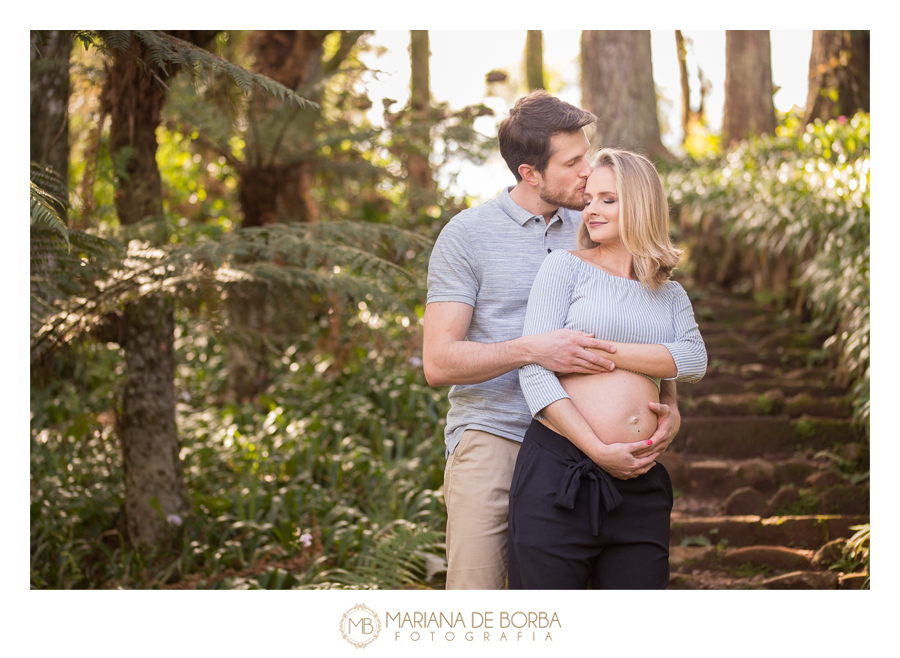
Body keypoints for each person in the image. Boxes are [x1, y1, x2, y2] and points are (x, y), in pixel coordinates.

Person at [423, 91, 683, 590]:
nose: (588, 171)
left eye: (587, 153)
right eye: (573, 161)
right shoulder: (468, 235)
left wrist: (665, 399)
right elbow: (438, 361)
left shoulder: (601, 223)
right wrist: (532, 349)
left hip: (587, 447)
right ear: (530, 173)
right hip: (497, 435)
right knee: (481, 604)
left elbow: (647, 320)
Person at [507, 148, 707, 589]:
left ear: (640, 205)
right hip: (561, 474)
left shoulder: (670, 295)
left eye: (608, 199)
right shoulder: (565, 267)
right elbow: (535, 372)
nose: (591, 209)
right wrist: (597, 450)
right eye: (590, 198)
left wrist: (609, 353)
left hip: (640, 484)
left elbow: (693, 361)